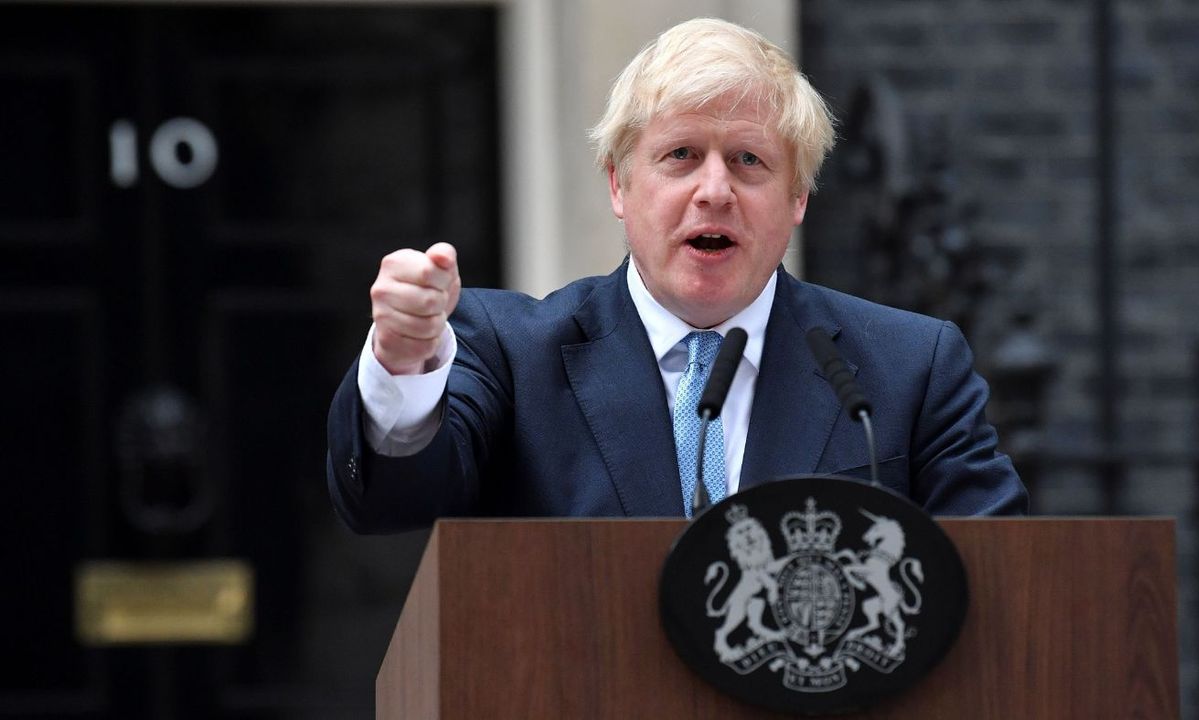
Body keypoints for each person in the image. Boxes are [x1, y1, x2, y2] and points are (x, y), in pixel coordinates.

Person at [326, 18, 1027, 533]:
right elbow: (392, 502)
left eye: (749, 160)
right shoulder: (510, 352)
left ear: (799, 197)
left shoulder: (909, 367)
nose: (715, 190)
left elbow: (1004, 581)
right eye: (682, 155)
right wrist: (403, 364)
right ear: (620, 186)